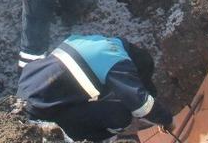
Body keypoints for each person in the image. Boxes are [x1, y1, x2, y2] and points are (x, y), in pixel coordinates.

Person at [18, 34, 174, 142]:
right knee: (120, 114)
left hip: (27, 92)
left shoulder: (102, 43)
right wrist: (166, 120)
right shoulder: (118, 61)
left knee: (106, 104)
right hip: (41, 112)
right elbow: (140, 103)